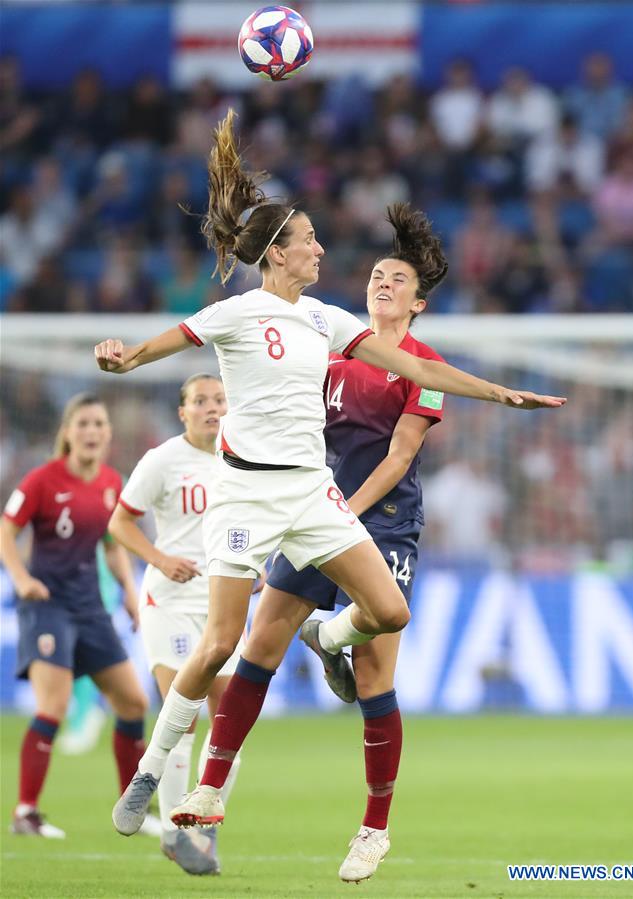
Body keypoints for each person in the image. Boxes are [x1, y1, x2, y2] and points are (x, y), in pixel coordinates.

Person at [93, 108, 565, 845]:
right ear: (278, 254)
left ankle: (327, 633)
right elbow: (160, 345)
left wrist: (502, 393)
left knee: (390, 611)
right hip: (246, 493)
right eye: (308, 238)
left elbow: (415, 365)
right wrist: (121, 358)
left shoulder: (324, 319)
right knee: (220, 643)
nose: (319, 246)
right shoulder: (236, 313)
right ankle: (156, 768)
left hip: (314, 493)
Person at [256, 202, 451, 882]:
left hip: (384, 519)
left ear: (417, 302)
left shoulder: (422, 363)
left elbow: (398, 456)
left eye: (396, 278)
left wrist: (345, 509)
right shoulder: (329, 350)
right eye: (375, 274)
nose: (382, 283)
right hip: (315, 515)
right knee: (256, 642)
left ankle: (373, 830)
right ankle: (209, 788)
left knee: (375, 677)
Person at [108, 373, 240, 876]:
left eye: (220, 399)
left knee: (230, 724)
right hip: (171, 603)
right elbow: (120, 522)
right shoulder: (163, 460)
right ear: (182, 412)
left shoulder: (240, 459)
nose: (212, 407)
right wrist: (160, 560)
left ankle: (201, 829)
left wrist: (258, 564)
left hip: (222, 605)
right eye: (201, 401)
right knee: (182, 717)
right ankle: (173, 832)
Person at [0, 393, 149, 838]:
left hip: (91, 609)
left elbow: (111, 543)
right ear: (67, 431)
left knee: (133, 703)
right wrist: (21, 580)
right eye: (82, 423)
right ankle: (26, 812)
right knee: (55, 705)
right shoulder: (41, 480)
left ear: (107, 433)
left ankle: (131, 808)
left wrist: (127, 590)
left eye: (99, 424)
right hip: (49, 608)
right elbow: (6, 531)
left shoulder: (110, 482)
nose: (91, 431)